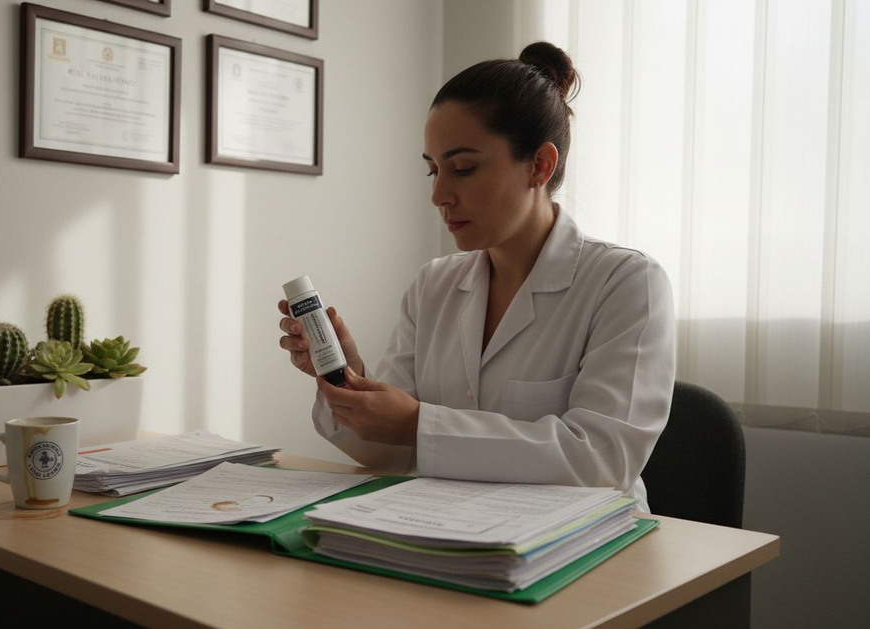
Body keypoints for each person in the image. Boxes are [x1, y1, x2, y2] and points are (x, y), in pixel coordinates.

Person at [276, 42, 675, 512]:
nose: (440, 195)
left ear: (540, 166)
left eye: (463, 168)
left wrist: (418, 424)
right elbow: (389, 452)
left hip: (583, 547)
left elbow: (601, 460)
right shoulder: (433, 285)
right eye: (433, 171)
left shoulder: (626, 283)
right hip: (449, 532)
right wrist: (346, 379)